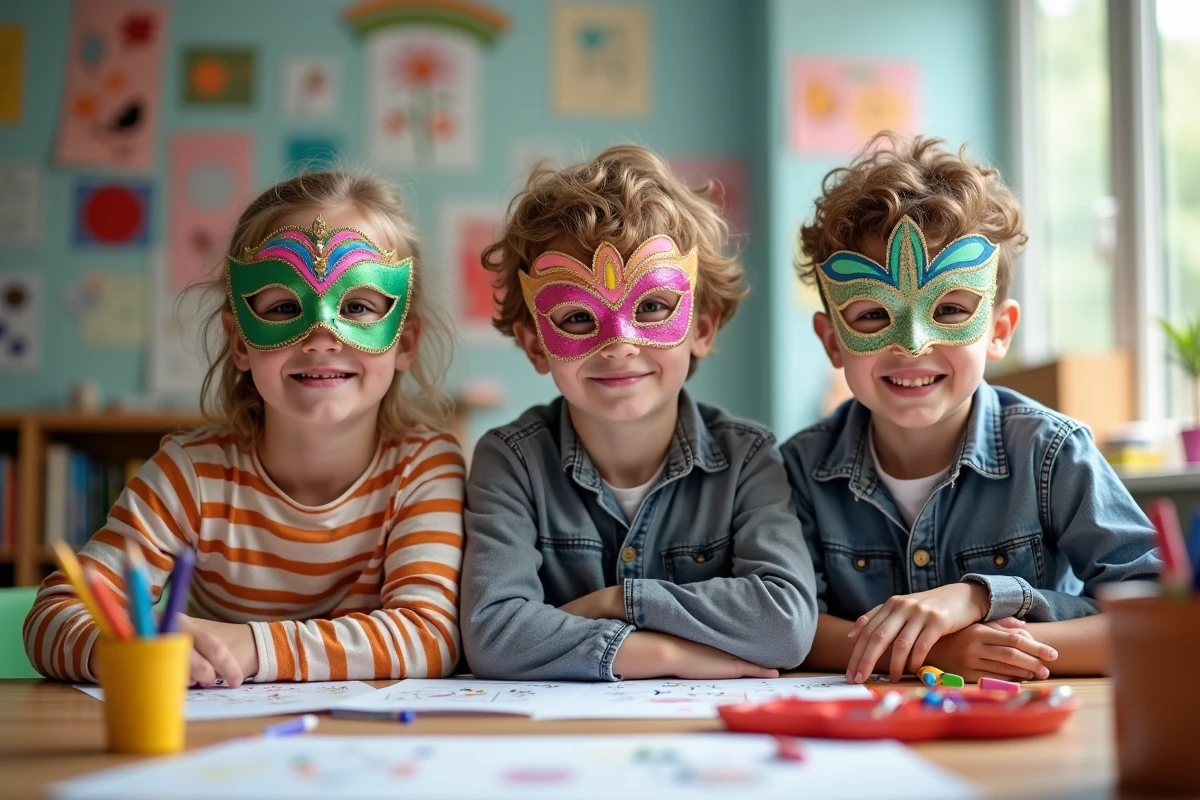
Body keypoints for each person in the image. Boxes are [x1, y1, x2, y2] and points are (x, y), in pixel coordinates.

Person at [25, 170, 465, 685]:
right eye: (283, 307)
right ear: (239, 342)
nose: (322, 336)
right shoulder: (189, 475)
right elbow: (54, 614)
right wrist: (119, 648)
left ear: (405, 342)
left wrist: (252, 646)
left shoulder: (424, 467)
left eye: (357, 307)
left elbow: (431, 635)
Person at [781, 134, 1160, 684]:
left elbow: (1156, 623)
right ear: (833, 341)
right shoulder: (798, 471)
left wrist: (980, 602)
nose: (912, 344)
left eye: (951, 308)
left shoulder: (1051, 454)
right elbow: (792, 627)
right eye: (871, 316)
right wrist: (940, 653)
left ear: (998, 330)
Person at [461, 146, 818, 681]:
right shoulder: (510, 461)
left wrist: (615, 603)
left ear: (702, 326)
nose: (619, 342)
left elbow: (784, 625)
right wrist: (670, 655)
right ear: (536, 344)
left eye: (652, 306)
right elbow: (494, 635)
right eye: (578, 316)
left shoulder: (748, 457)